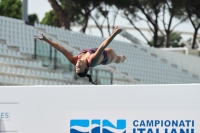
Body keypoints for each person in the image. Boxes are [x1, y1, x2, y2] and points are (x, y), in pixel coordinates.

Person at [35, 26, 126, 85]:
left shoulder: (74, 60)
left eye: (76, 67)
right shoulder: (92, 60)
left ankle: (122, 58)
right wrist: (115, 33)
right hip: (109, 56)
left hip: (102, 52)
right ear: (86, 67)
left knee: (120, 58)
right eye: (80, 67)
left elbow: (60, 48)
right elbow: (102, 46)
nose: (78, 65)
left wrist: (46, 40)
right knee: (119, 59)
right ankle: (123, 58)